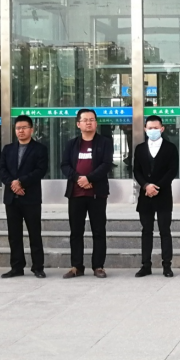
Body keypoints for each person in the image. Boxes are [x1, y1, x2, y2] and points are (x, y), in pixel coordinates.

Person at [60, 108, 113, 279]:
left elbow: (106, 164)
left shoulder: (105, 142)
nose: (88, 123)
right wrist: (78, 178)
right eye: (85, 120)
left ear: (96, 123)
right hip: (76, 193)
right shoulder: (71, 144)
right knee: (76, 231)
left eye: (92, 119)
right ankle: (77, 266)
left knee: (99, 230)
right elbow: (64, 165)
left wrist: (89, 178)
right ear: (78, 124)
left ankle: (98, 266)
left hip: (97, 194)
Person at [0, 114, 49, 279]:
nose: (21, 131)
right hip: (11, 198)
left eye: (24, 128)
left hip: (31, 197)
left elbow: (40, 170)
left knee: (35, 234)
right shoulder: (8, 149)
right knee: (14, 235)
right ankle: (17, 267)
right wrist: (13, 184)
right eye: (18, 128)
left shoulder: (40, 149)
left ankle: (38, 267)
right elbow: (1, 170)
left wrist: (21, 182)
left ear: (31, 130)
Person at [133, 115, 178, 277]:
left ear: (162, 129)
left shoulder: (170, 148)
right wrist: (146, 186)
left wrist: (156, 187)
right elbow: (136, 170)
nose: (153, 130)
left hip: (163, 194)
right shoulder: (140, 148)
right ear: (145, 129)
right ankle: (146, 265)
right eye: (150, 128)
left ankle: (167, 265)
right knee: (146, 231)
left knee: (165, 230)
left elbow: (172, 170)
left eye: (156, 128)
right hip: (145, 195)